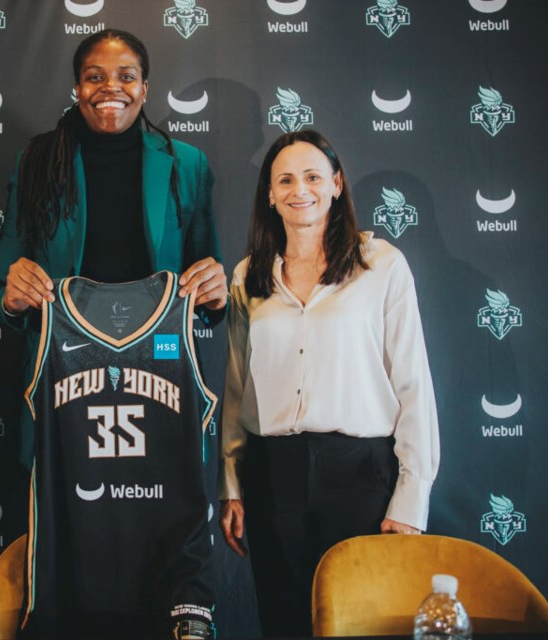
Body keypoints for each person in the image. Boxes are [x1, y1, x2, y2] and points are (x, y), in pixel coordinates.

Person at [0, 29, 226, 639]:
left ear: (145, 86)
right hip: (67, 391)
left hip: (160, 390)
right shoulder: (37, 160)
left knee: (161, 562)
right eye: (94, 76)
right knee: (71, 565)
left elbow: (208, 288)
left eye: (124, 76)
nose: (109, 89)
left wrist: (216, 296)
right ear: (75, 86)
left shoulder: (186, 166)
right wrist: (10, 296)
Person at [219, 129, 440, 636]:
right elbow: (236, 388)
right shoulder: (248, 277)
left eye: (314, 176)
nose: (302, 189)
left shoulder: (382, 266)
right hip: (273, 475)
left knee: (360, 622)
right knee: (284, 622)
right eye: (286, 180)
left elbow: (413, 385)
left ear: (337, 185)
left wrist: (411, 497)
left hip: (360, 475)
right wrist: (230, 482)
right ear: (270, 195)